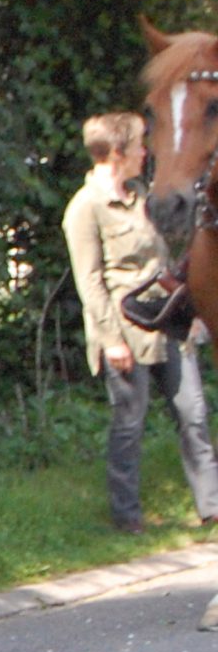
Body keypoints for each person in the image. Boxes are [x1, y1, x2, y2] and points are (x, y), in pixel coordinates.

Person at [60, 111, 218, 533]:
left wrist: (193, 309)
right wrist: (111, 340)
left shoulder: (143, 194)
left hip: (168, 319)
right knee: (129, 424)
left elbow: (167, 260)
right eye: (139, 145)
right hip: (125, 330)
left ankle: (212, 507)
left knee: (193, 414)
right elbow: (89, 281)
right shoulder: (85, 208)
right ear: (117, 153)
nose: (145, 152)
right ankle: (127, 518)